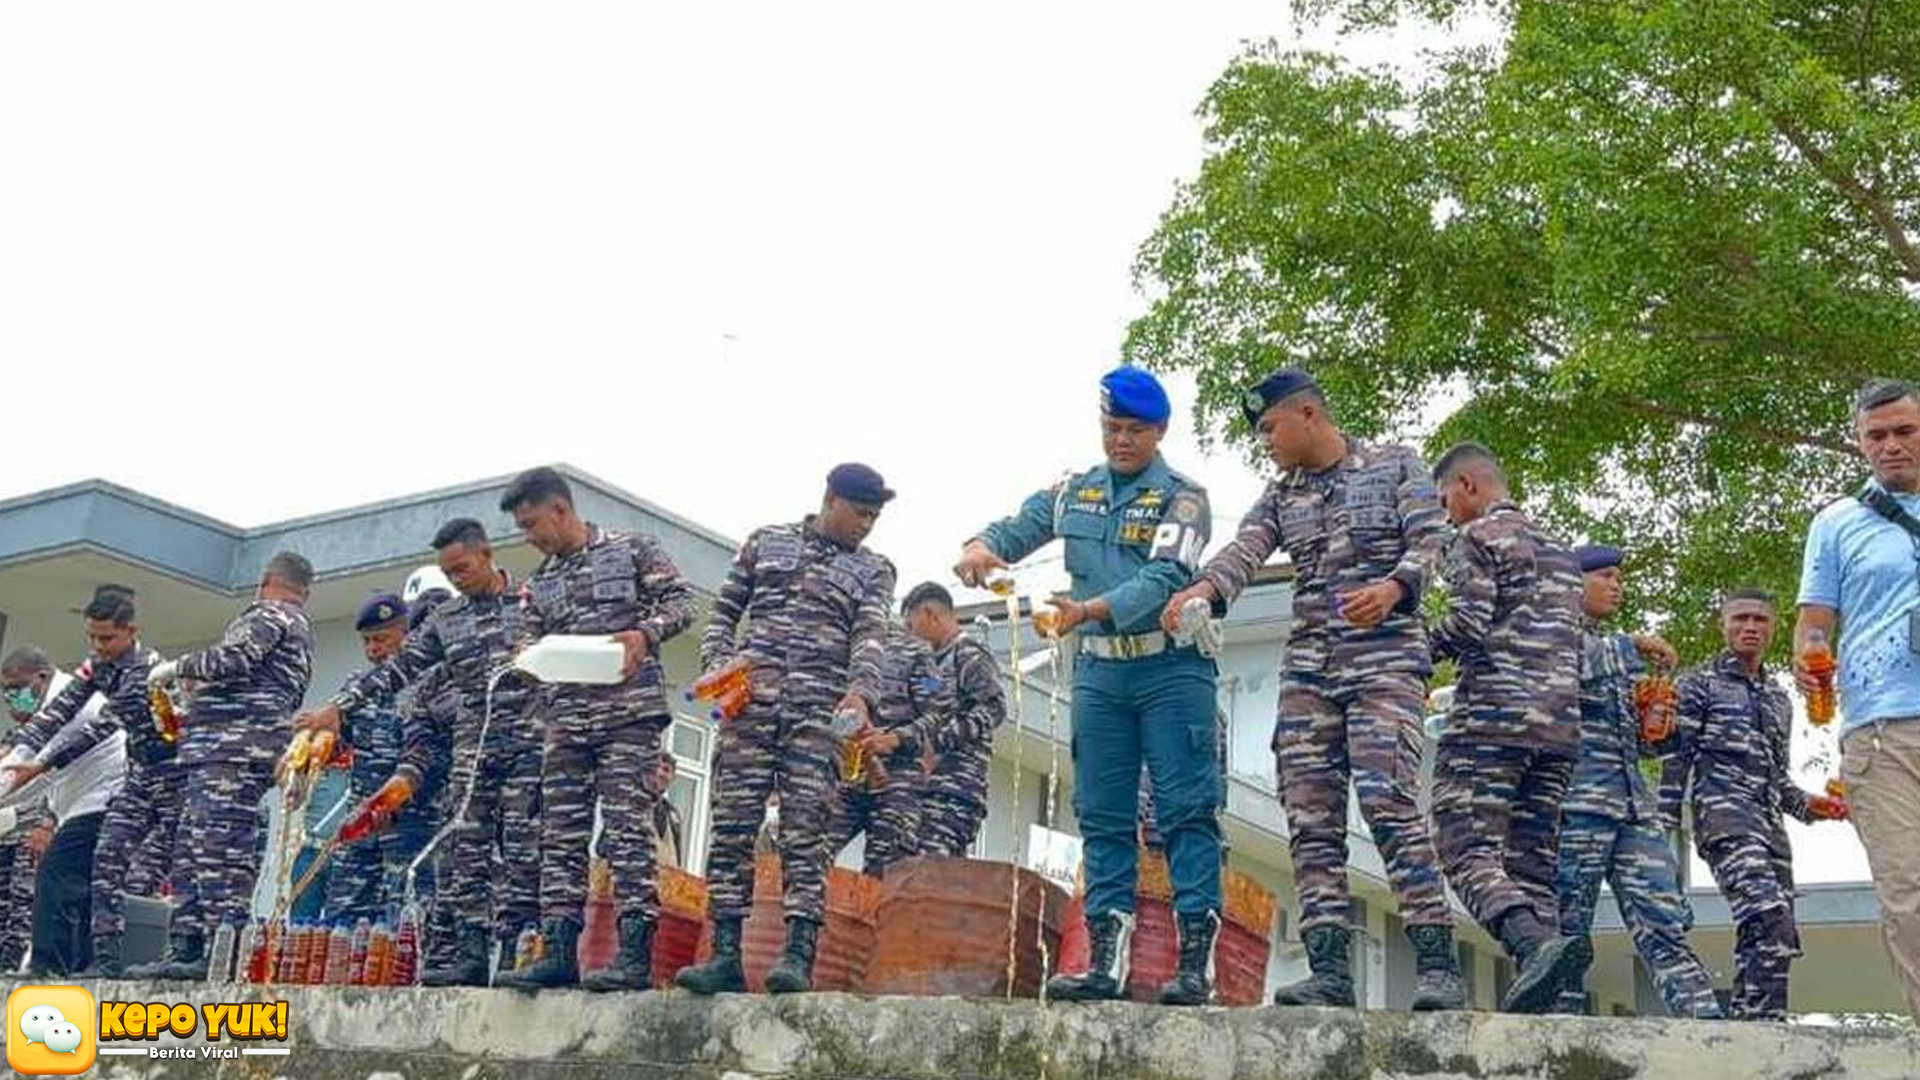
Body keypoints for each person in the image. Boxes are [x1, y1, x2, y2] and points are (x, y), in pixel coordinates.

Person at [1162, 366, 1463, 1009]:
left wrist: (1395, 588)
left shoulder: (1394, 465)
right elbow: (1244, 550)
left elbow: (1434, 538)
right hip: (1311, 672)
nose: (1265, 440)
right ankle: (1328, 969)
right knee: (1309, 815)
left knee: (1386, 799)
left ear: (1307, 414)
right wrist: (1203, 591)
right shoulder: (1281, 495)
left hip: (1385, 662)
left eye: (1270, 427)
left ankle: (1438, 964)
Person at [957, 365, 1223, 1007]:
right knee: (1101, 816)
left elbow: (1163, 580)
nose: (1121, 440)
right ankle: (1104, 960)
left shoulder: (1184, 498)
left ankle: (1195, 967)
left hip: (1169, 669)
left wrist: (1084, 611)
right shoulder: (1076, 491)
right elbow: (1019, 527)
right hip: (1101, 674)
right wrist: (982, 546)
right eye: (1112, 428)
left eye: (1135, 430)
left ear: (1159, 432)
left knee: (1186, 813)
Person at [677, 463, 897, 996]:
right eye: (860, 513)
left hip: (817, 715)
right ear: (830, 500)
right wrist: (718, 666)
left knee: (806, 834)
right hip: (749, 707)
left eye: (874, 517)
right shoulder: (765, 542)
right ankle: (725, 952)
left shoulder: (875, 569)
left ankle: (798, 954)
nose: (865, 525)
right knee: (731, 827)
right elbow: (724, 612)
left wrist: (860, 694)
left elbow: (870, 637)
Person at [295, 518, 538, 986]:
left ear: (487, 554)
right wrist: (339, 708)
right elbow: (403, 677)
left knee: (524, 861)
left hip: (530, 755)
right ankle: (466, 959)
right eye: (449, 573)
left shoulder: (533, 603)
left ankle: (517, 959)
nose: (458, 580)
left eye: (463, 568)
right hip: (471, 766)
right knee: (462, 863)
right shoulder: (448, 627)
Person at [496, 467, 696, 992]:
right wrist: (525, 660)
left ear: (561, 510)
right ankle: (559, 950)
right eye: (522, 527)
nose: (529, 536)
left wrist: (643, 634)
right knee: (560, 837)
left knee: (627, 830)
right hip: (564, 722)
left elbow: (681, 603)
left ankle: (634, 954)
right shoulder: (538, 585)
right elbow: (525, 646)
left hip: (628, 715)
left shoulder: (632, 550)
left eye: (532, 523)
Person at [1425, 442, 1584, 1013]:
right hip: (1560, 730)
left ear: (1467, 485)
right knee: (1530, 862)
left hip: (1491, 722)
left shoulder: (1475, 540)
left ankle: (1532, 943)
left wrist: (1408, 649)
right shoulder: (1563, 552)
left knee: (1462, 843)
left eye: (1445, 499)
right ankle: (1554, 997)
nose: (1445, 513)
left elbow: (1466, 624)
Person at [1796, 377, 1920, 1024]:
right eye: (1878, 436)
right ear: (1860, 443)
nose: (1892, 445)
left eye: (1905, 431)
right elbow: (1814, 623)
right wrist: (1811, 654)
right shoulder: (1837, 524)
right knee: (1908, 891)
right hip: (1880, 728)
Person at [1553, 546, 1721, 1018]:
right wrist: (1633, 646)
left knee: (1664, 918)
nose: (1616, 584)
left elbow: (1641, 741)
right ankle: (1557, 1030)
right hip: (1575, 805)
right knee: (1566, 926)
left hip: (1631, 808)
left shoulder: (1610, 651)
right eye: (1605, 576)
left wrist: (1663, 723)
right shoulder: (1551, 635)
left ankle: (1702, 1019)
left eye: (1618, 577)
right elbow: (1563, 669)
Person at [1668, 589, 1848, 1020]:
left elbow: (1778, 779)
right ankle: (1761, 1024)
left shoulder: (1778, 698)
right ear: (1723, 625)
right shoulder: (1698, 684)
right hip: (1724, 822)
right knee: (1765, 913)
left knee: (1776, 934)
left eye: (1760, 621)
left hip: (1771, 831)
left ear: (1774, 629)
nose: (1750, 627)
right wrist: (1662, 829)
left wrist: (1815, 807)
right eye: (1740, 619)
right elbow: (1677, 759)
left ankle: (1756, 1026)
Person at [134, 551, 315, 980]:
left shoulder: (272, 613)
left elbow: (233, 659)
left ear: (267, 579)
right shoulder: (292, 623)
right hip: (222, 751)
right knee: (193, 849)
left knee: (218, 852)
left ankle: (221, 952)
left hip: (234, 752)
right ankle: (188, 949)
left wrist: (177, 668)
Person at [2, 588, 164, 977]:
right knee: (90, 872)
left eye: (106, 638)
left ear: (131, 631)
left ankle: (63, 964)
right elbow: (57, 712)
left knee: (71, 869)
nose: (98, 646)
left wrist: (38, 766)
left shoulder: (146, 669)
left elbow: (103, 727)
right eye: (92, 637)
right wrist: (18, 758)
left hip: (139, 784)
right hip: (105, 790)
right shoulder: (96, 666)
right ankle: (76, 964)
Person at [323, 593, 442, 925]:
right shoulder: (357, 687)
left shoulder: (430, 685)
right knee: (341, 919)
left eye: (381, 639)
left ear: (407, 636)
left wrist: (392, 803)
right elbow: (339, 744)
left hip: (411, 822)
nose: (373, 648)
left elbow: (432, 756)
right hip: (361, 822)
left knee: (403, 920)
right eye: (367, 641)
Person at [832, 622, 952, 878]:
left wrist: (894, 738)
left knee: (886, 873)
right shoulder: (835, 644)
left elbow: (937, 715)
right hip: (845, 775)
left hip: (898, 780)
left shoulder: (914, 650)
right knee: (808, 853)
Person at [894, 582, 1006, 859]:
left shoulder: (967, 654)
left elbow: (994, 707)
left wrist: (939, 740)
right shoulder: (930, 662)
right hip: (925, 789)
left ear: (931, 614)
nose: (910, 635)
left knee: (930, 872)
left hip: (955, 789)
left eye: (911, 625)